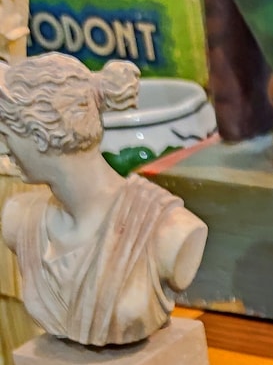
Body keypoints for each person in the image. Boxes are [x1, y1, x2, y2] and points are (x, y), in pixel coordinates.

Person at [0, 54, 207, 347]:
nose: (3, 150)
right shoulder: (20, 221)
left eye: (5, 134)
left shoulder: (169, 229)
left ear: (40, 134)